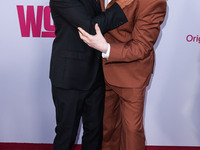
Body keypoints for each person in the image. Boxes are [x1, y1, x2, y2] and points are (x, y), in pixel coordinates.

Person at [78, 0, 167, 149]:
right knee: (107, 129)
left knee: (132, 131)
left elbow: (141, 47)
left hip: (132, 74)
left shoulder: (153, 1)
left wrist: (106, 48)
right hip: (101, 72)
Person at [49, 0, 134, 150]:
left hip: (96, 75)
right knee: (66, 134)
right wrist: (120, 7)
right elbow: (90, 27)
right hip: (69, 77)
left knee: (95, 134)